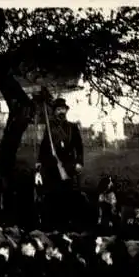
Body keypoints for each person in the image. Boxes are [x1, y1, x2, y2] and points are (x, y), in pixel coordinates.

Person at [35, 98, 84, 231]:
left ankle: (67, 222)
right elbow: (44, 146)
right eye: (58, 109)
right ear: (54, 112)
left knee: (67, 194)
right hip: (51, 165)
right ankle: (53, 223)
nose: (61, 111)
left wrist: (79, 162)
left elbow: (79, 147)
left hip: (68, 165)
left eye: (63, 109)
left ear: (66, 111)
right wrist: (39, 161)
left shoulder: (73, 127)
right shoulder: (49, 128)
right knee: (52, 194)